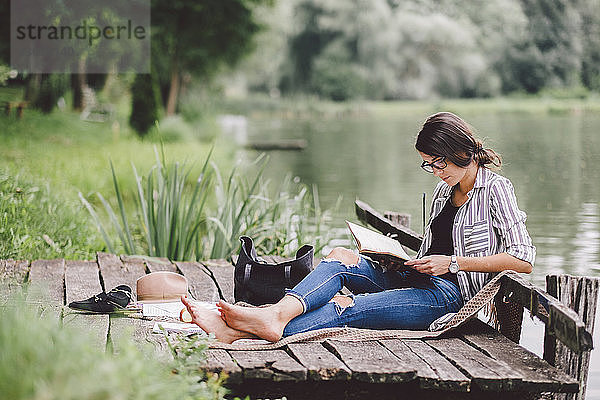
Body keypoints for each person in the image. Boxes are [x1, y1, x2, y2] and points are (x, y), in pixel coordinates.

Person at [181, 111, 536, 344]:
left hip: (448, 297)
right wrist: (400, 260)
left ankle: (237, 330)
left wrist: (454, 263)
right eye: (428, 165)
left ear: (461, 151)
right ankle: (272, 317)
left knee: (346, 307)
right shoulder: (446, 191)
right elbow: (433, 252)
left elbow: (522, 259)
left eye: (438, 162)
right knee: (339, 258)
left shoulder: (496, 189)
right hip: (420, 278)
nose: (436, 170)